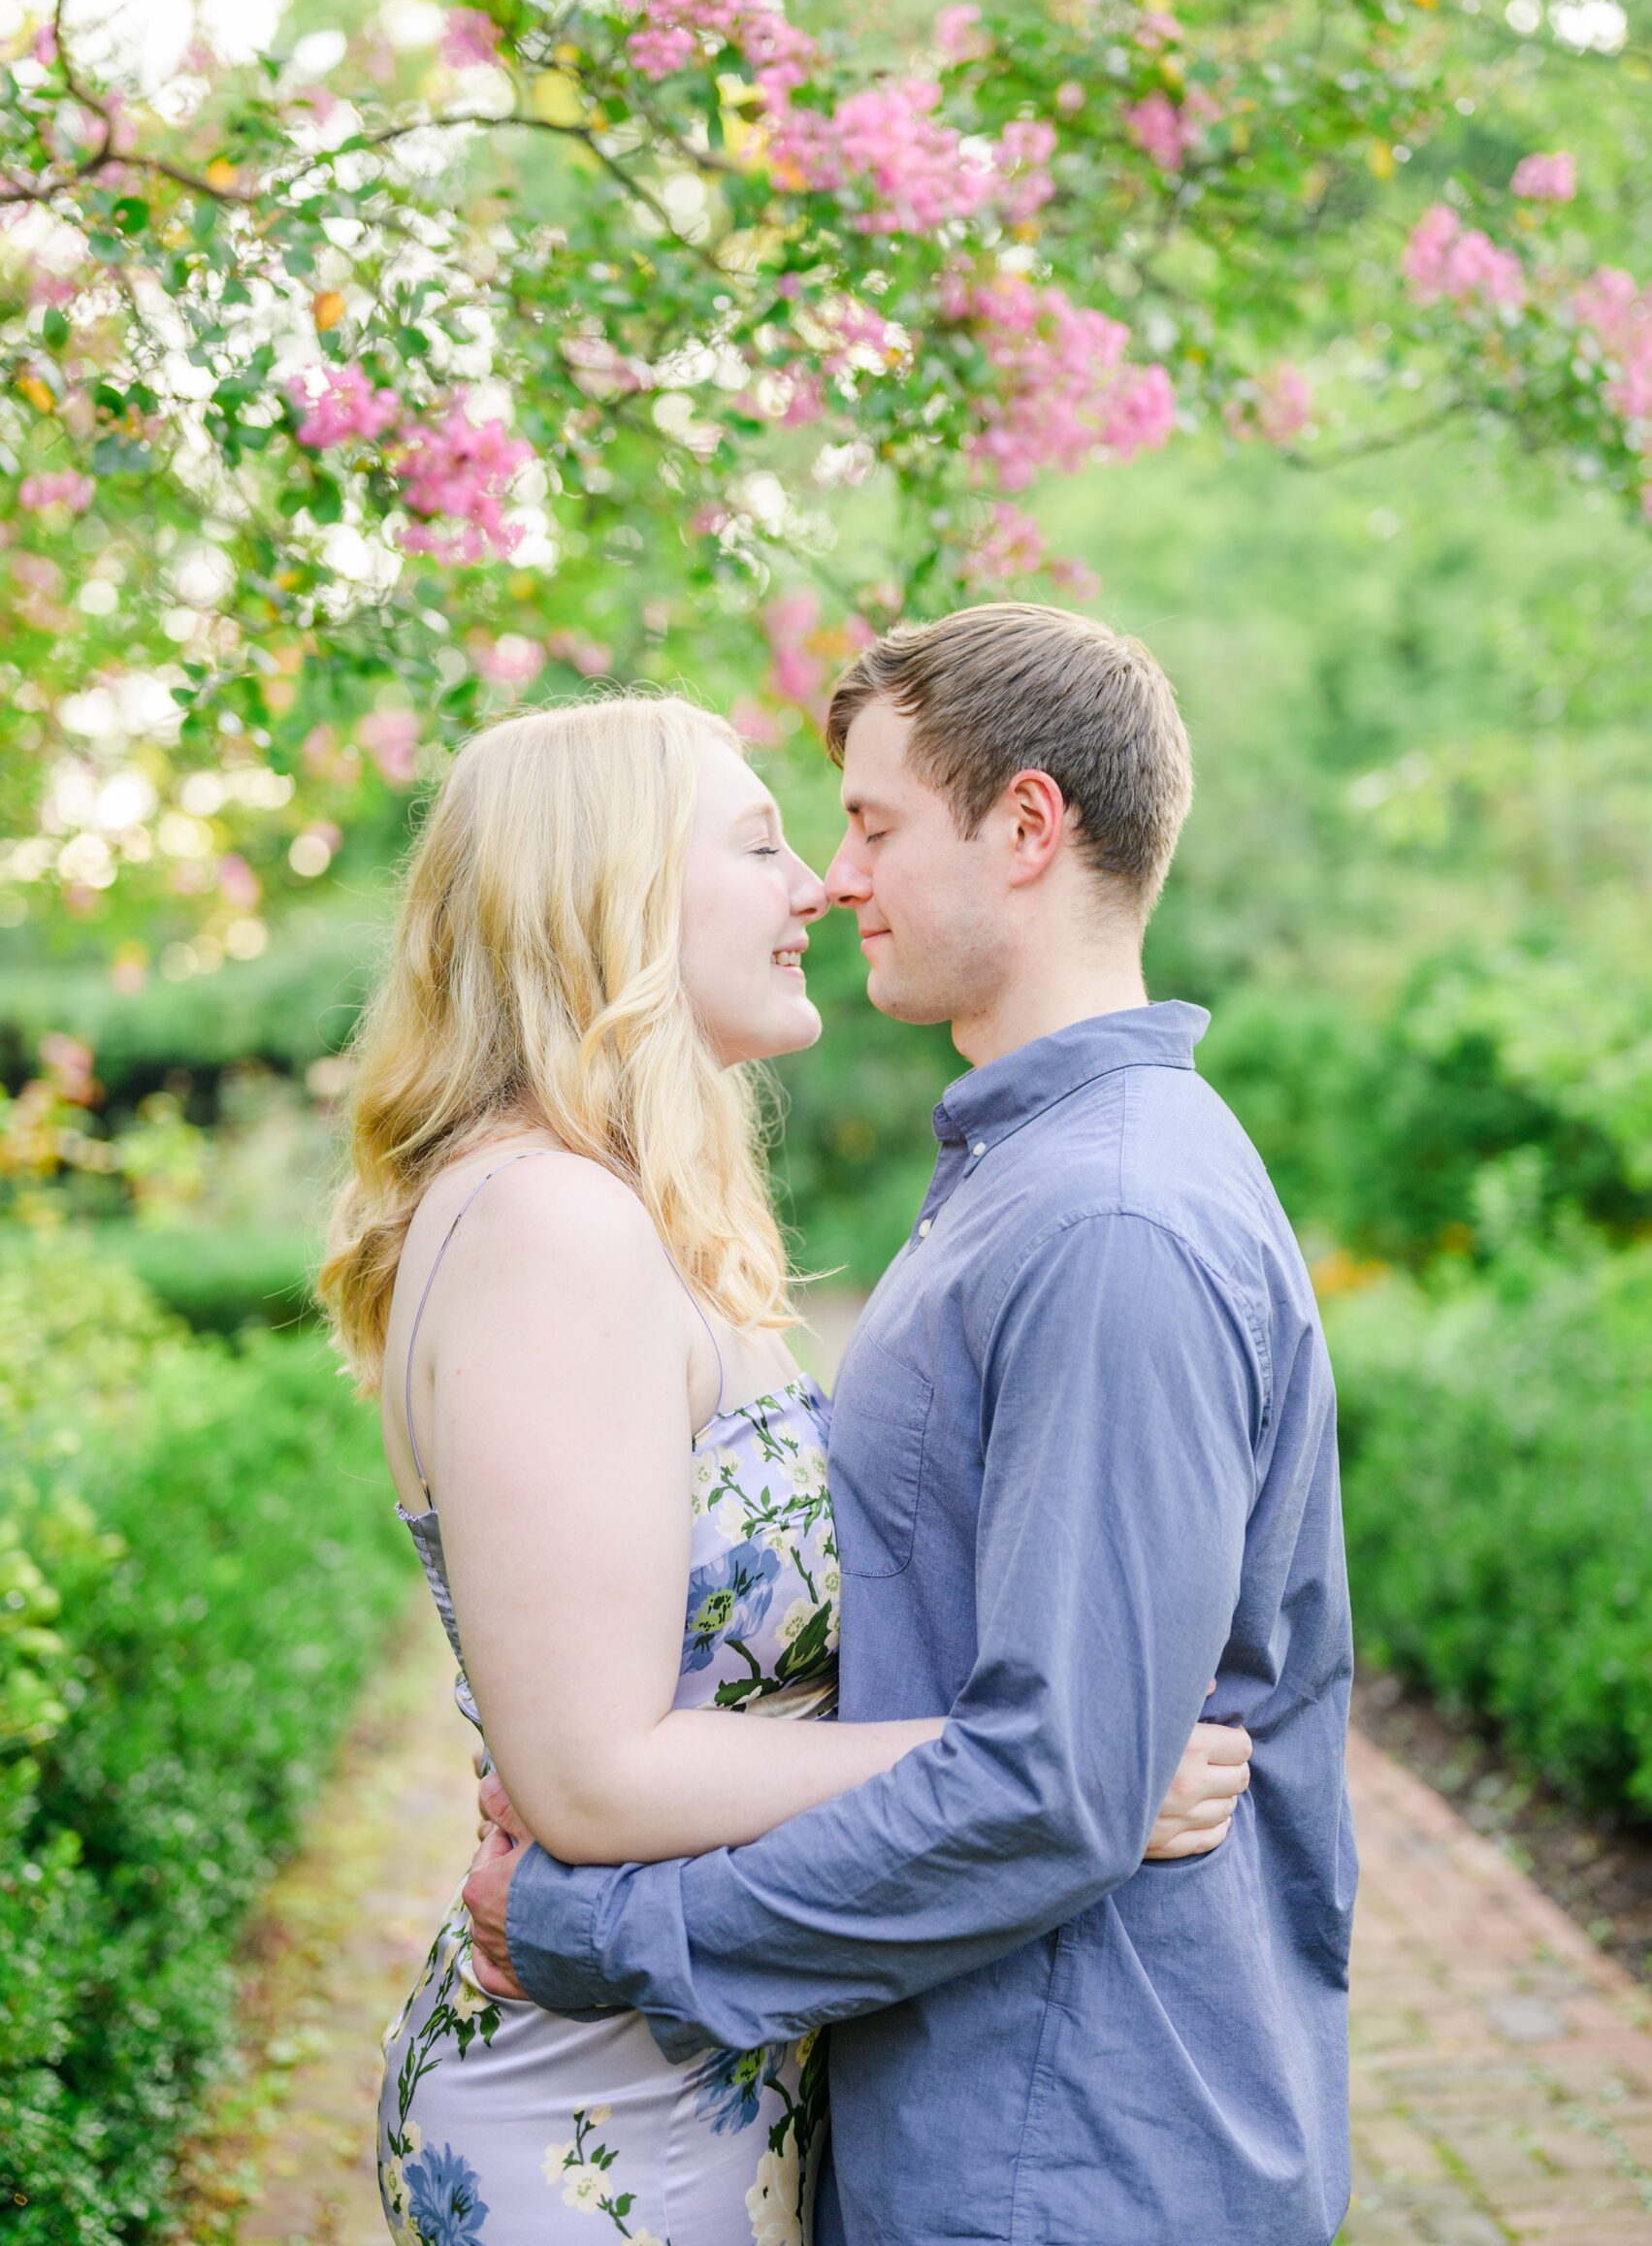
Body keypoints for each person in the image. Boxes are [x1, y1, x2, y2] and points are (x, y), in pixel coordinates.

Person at [464, 607, 1357, 2246]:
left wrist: (614, 1937)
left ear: (1027, 828)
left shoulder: (1109, 1224)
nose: (835, 876)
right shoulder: (1028, 1183)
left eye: (873, 825)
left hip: (1072, 2152)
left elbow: (1052, 1792)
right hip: (991, 2113)